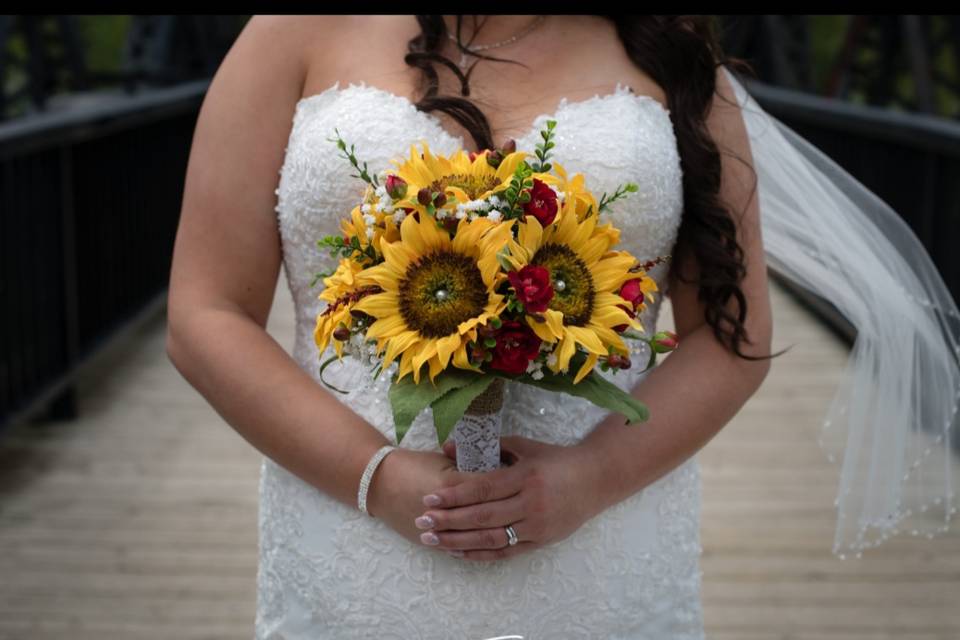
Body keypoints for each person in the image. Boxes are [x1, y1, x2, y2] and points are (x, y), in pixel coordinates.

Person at [165, 14, 777, 639]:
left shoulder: (668, 45)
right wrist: (378, 477)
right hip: (353, 540)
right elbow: (205, 313)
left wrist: (593, 476)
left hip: (602, 544)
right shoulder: (291, 30)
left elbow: (735, 334)